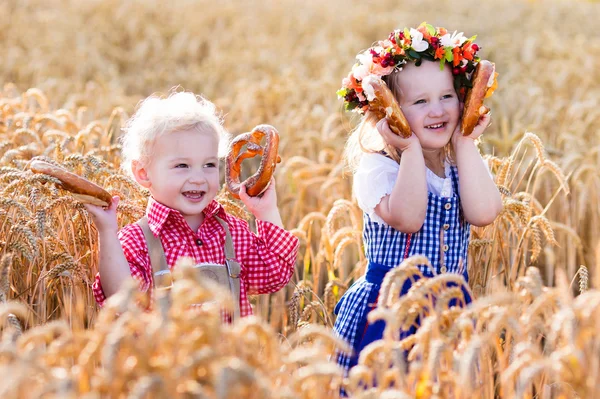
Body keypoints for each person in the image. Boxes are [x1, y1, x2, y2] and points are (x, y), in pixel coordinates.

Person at [333, 22, 503, 374]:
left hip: (449, 313)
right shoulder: (379, 168)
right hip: (390, 311)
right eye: (420, 101)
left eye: (447, 96)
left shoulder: (460, 164)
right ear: (388, 110)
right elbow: (409, 218)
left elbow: (485, 212)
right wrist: (409, 149)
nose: (437, 110)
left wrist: (466, 142)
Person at [85, 90, 299, 318]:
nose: (199, 177)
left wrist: (266, 211)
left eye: (208, 165)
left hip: (232, 353)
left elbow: (275, 273)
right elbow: (123, 301)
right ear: (143, 173)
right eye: (182, 166)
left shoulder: (230, 233)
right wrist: (107, 232)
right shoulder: (138, 241)